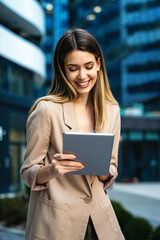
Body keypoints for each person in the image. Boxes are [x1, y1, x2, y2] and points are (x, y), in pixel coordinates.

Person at [20, 28, 125, 240]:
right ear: (62, 69)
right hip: (58, 223)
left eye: (88, 66)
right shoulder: (46, 110)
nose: (82, 76)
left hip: (100, 222)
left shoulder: (112, 110)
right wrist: (51, 170)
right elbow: (27, 170)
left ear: (98, 64)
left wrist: (105, 170)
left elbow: (111, 168)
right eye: (73, 68)